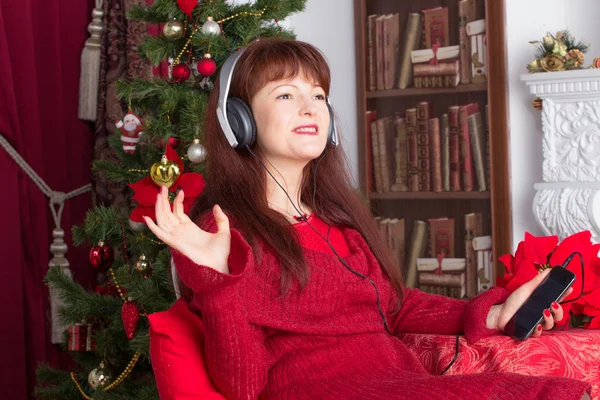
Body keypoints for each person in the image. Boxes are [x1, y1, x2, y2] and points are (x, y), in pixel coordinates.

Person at [143, 39, 591, 400]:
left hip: (399, 380)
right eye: (286, 94)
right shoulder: (222, 234)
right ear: (238, 121)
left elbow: (396, 307)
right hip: (320, 389)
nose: (310, 107)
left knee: (560, 391)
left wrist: (492, 314)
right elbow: (241, 389)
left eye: (318, 95)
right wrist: (219, 281)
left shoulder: (337, 222)